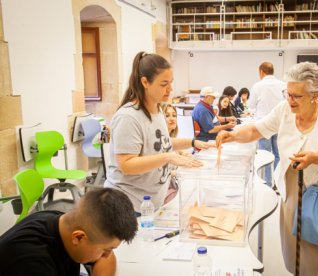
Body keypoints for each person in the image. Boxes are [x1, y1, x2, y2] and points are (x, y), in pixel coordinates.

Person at [216, 62, 318, 276]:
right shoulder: (284, 110)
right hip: (291, 190)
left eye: (296, 96)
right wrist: (233, 135)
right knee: (295, 250)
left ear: (314, 95)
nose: (290, 100)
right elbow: (257, 129)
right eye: (287, 93)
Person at [104, 52, 213, 214]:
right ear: (145, 82)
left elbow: (161, 142)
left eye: (171, 83)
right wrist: (168, 157)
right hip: (128, 205)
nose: (170, 89)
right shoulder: (128, 117)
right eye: (163, 84)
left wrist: (193, 142)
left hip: (150, 204)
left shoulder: (157, 109)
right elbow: (126, 165)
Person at [0, 188, 138, 276]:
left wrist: (104, 253)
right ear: (78, 238)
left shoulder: (66, 222)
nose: (107, 254)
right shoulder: (31, 264)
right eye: (105, 250)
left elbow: (106, 259)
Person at [249, 62, 287, 185]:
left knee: (265, 154)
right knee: (278, 154)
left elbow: (251, 106)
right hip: (279, 124)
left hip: (263, 125)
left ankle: (267, 183)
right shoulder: (283, 85)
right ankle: (277, 182)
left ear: (261, 72)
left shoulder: (257, 86)